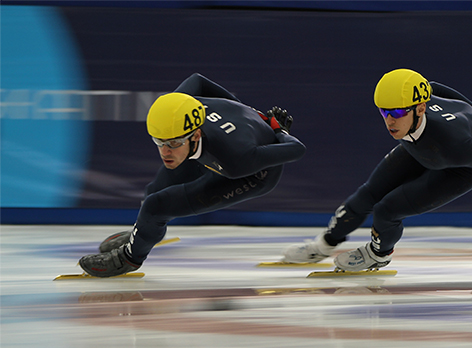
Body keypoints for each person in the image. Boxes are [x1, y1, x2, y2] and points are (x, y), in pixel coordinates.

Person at [282, 68, 472, 271]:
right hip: (424, 145)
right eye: (384, 112)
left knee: (387, 210)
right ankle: (322, 246)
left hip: (464, 166)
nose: (390, 121)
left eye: (399, 113)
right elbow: (433, 87)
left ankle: (378, 255)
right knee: (366, 196)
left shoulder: (453, 143)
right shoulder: (415, 109)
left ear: (420, 109)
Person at [79, 73, 306, 277]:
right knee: (153, 192)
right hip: (211, 148)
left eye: (173, 143)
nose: (165, 152)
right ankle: (144, 234)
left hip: (251, 173)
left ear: (195, 135)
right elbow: (197, 80)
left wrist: (279, 131)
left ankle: (128, 259)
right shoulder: (181, 107)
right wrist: (239, 109)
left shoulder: (237, 159)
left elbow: (297, 150)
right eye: (159, 143)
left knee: (156, 206)